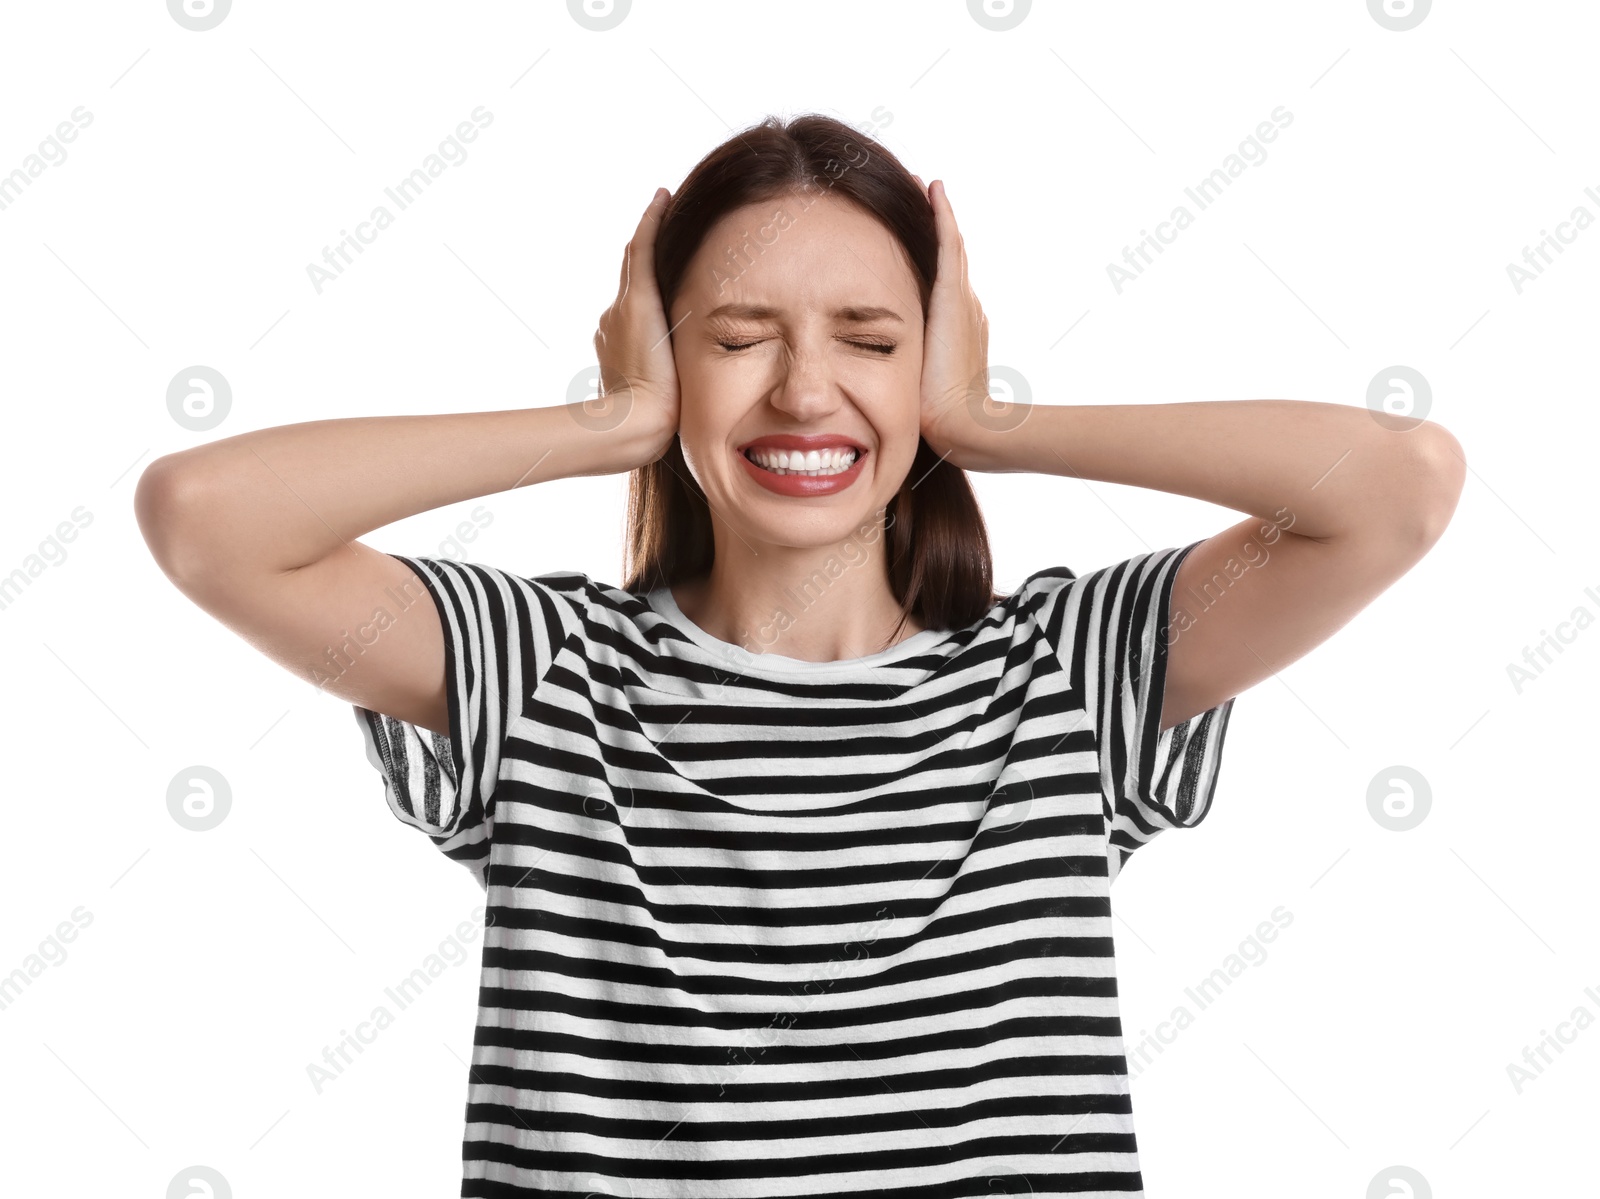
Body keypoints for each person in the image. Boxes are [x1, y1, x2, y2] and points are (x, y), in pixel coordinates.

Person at [134, 113, 1465, 1196]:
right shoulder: (535, 674)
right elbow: (207, 521)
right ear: (665, 357)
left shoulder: (1069, 675)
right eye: (737, 336)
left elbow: (1397, 486)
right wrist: (611, 423)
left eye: (871, 341)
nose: (805, 391)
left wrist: (986, 422)